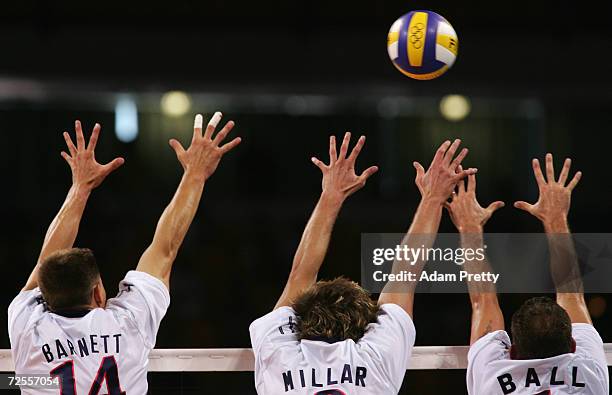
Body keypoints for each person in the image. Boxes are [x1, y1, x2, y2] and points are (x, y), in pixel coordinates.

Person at [8, 113, 240, 394]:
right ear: (97, 292)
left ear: (46, 292)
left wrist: (79, 189)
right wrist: (195, 174)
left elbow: (45, 262)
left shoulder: (26, 327)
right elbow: (165, 248)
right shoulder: (129, 324)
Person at [249, 136, 474, 394]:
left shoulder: (280, 355)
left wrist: (331, 195)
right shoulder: (374, 359)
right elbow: (405, 272)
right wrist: (433, 198)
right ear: (362, 330)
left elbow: (300, 274)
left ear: (302, 317)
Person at [445, 154, 609, 394]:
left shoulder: (493, 378)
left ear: (512, 352)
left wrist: (468, 228)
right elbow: (572, 295)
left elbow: (483, 302)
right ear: (573, 346)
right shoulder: (590, 373)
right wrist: (557, 220)